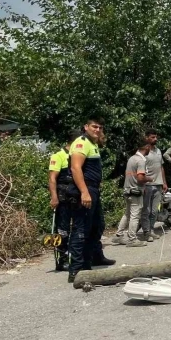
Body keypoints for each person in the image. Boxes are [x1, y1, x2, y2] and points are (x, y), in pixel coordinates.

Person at [67, 117, 115, 283]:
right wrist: (84, 192)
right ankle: (75, 270)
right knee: (81, 230)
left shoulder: (93, 144)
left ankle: (89, 262)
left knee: (97, 226)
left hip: (92, 189)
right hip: (84, 190)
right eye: (94, 126)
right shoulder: (81, 143)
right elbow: (75, 168)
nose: (97, 129)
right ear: (86, 127)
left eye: (100, 127)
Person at [112, 140, 152, 247]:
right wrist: (149, 178)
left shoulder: (131, 158)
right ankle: (132, 239)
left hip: (127, 190)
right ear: (147, 147)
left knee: (127, 214)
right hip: (136, 191)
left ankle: (118, 235)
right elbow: (140, 178)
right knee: (135, 215)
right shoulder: (141, 161)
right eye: (149, 148)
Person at [48, 131, 78, 271]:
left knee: (77, 228)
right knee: (62, 230)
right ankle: (62, 259)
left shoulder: (78, 156)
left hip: (76, 196)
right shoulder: (58, 155)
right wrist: (54, 197)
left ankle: (76, 256)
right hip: (62, 196)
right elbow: (52, 178)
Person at [141, 129, 167, 239]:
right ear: (147, 137)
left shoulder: (158, 151)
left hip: (158, 184)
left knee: (155, 210)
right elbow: (139, 168)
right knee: (146, 210)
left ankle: (151, 229)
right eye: (152, 137)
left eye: (156, 137)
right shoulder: (143, 152)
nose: (155, 139)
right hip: (147, 185)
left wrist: (164, 182)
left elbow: (161, 167)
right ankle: (146, 232)